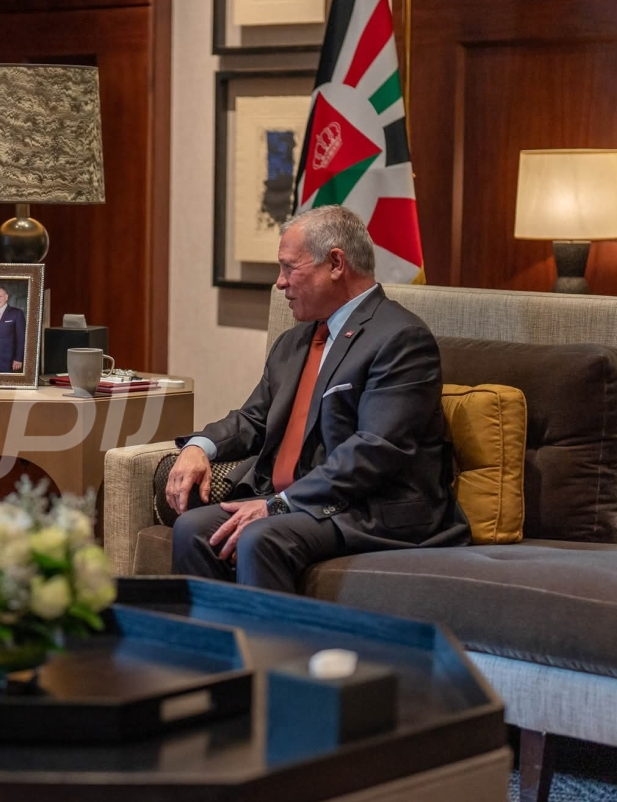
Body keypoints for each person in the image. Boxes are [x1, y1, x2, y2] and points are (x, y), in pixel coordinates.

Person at [168, 204, 469, 594]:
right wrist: (199, 447)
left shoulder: (400, 338)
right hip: (299, 504)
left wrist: (280, 504)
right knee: (192, 529)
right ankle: (212, 635)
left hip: (368, 508)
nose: (280, 283)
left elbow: (376, 449)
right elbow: (253, 419)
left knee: (261, 537)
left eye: (289, 268)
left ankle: (268, 637)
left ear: (336, 264)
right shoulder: (295, 341)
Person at [0, 286, 27, 372]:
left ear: (6, 297)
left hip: (9, 362)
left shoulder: (17, 313)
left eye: (0, 296)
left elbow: (21, 338)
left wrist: (18, 358)